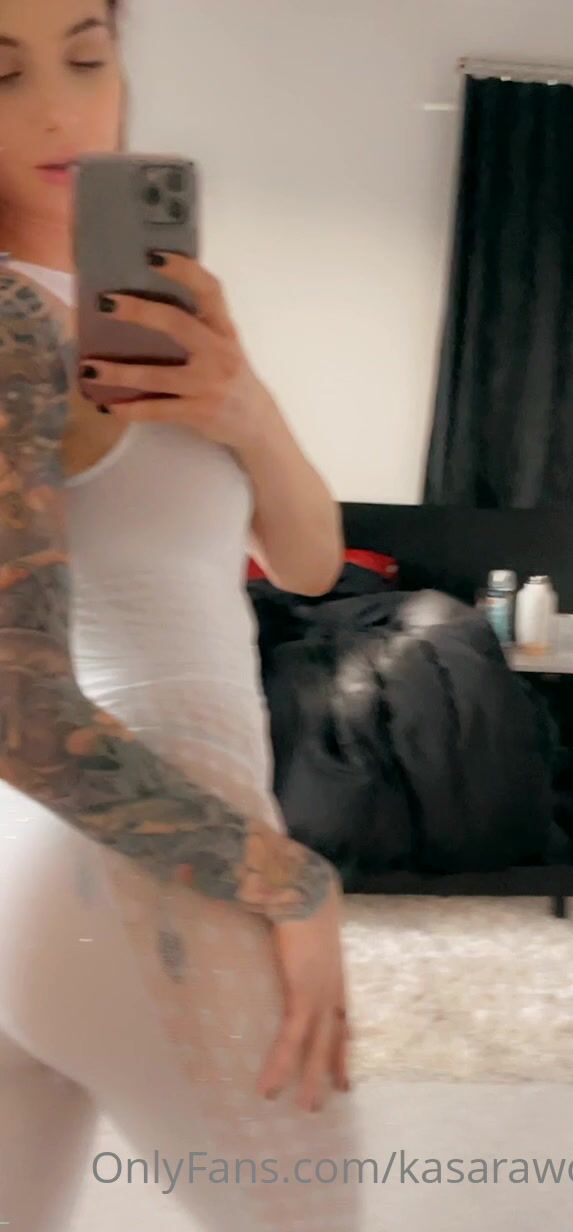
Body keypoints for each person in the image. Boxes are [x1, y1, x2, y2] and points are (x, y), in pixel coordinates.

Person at [0, 1, 362, 1228]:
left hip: (65, 862)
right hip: (154, 843)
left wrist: (244, 405)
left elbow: (306, 563)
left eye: (86, 56)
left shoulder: (140, 312)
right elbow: (17, 707)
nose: (62, 108)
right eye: (2, 74)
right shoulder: (9, 323)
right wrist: (286, 879)